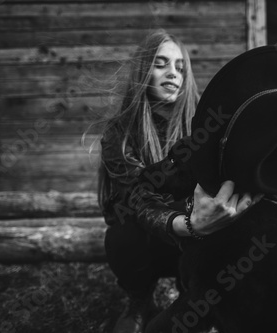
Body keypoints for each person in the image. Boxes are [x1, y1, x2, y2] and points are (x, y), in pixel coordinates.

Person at [96, 30, 256, 333]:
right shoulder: (120, 131)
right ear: (143, 71)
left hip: (197, 241)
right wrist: (186, 223)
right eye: (161, 64)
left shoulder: (206, 125)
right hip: (151, 240)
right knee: (121, 232)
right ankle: (139, 299)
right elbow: (134, 196)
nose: (173, 73)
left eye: (180, 67)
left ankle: (191, 297)